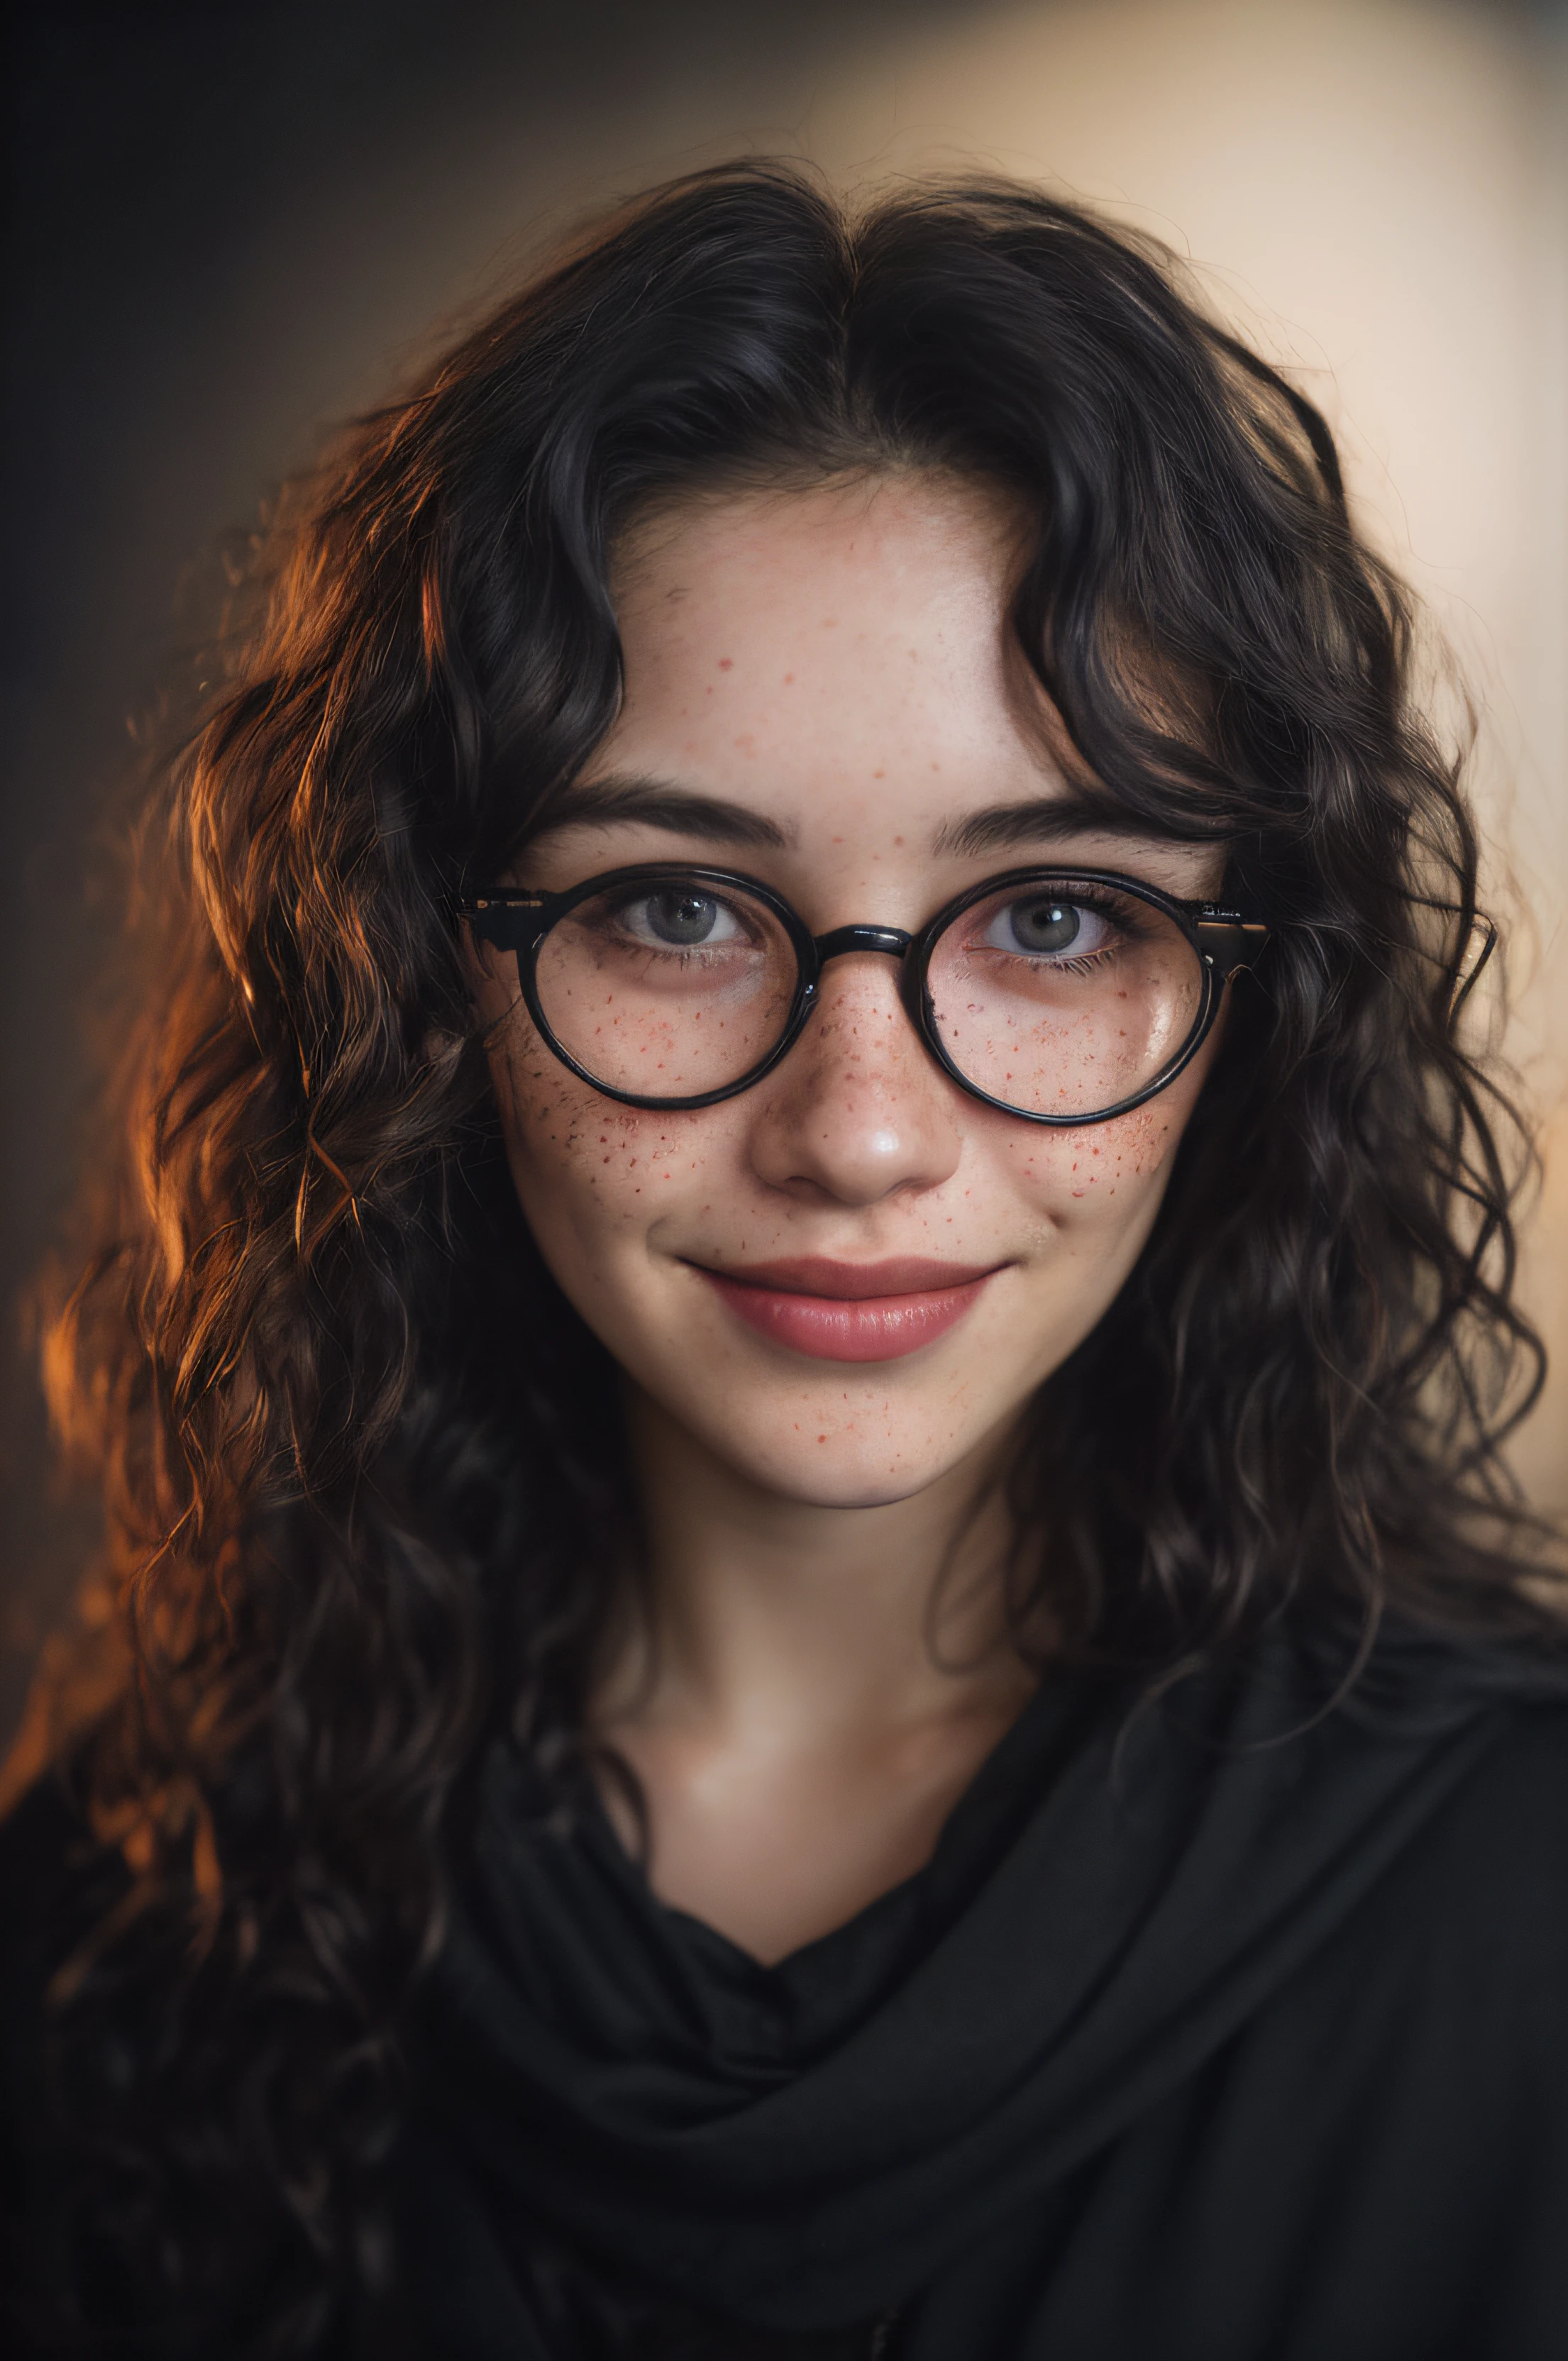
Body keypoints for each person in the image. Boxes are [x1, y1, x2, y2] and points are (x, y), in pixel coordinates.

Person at [3, 161, 1566, 2361]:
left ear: (1265, 1001)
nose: (860, 1133)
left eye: (1052, 918)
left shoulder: (1527, 1909)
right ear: (422, 976)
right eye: (674, 905)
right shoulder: (114, 1950)